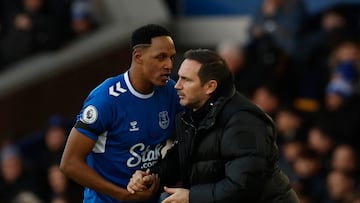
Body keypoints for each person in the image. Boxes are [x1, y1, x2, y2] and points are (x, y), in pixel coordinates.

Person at [127, 49, 300, 202]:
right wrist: (150, 176)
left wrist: (191, 197)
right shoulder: (193, 115)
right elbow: (178, 159)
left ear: (210, 86)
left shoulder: (244, 122)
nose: (177, 86)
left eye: (186, 80)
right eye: (178, 78)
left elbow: (243, 186)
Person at [59, 24, 183, 203]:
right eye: (161, 57)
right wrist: (123, 195)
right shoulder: (106, 99)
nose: (169, 65)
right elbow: (69, 163)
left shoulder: (171, 90)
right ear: (138, 57)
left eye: (171, 57)